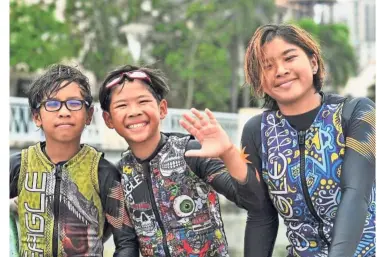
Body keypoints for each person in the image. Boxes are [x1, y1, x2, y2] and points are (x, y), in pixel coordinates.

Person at [179, 24, 376, 257]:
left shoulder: (357, 113)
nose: (280, 70)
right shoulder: (258, 130)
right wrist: (228, 154)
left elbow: (356, 194)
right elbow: (261, 215)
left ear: (313, 63)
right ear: (260, 81)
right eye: (267, 66)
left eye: (289, 58)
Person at [98, 65, 255, 257]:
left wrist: (229, 152)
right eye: (122, 105)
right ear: (108, 119)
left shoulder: (192, 152)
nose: (134, 112)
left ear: (162, 108)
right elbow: (127, 244)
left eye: (143, 101)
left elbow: (249, 199)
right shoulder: (119, 175)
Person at [9, 64, 139, 257]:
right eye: (52, 104)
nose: (64, 111)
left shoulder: (103, 173)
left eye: (74, 103)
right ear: (37, 117)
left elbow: (126, 242)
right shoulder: (18, 166)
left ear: (88, 115)